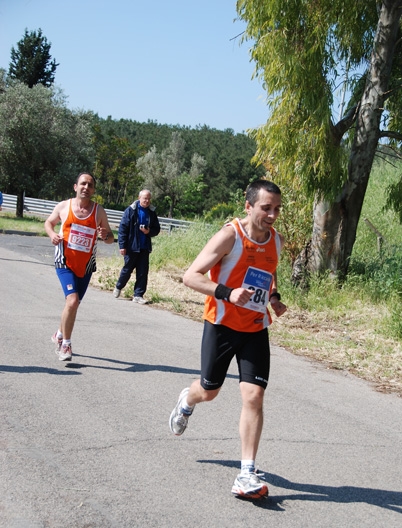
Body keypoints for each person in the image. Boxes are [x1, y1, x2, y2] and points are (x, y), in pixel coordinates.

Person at [169, 179, 287, 500]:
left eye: (277, 209)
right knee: (209, 391)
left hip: (255, 328)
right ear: (249, 207)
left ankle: (246, 472)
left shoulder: (275, 241)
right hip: (221, 326)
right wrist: (228, 293)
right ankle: (187, 400)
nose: (273, 215)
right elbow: (190, 276)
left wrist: (273, 297)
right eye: (266, 208)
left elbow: (267, 273)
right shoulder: (229, 236)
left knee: (253, 396)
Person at [44, 172, 114, 361]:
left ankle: (59, 333)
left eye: (90, 185)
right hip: (64, 261)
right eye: (83, 184)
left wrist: (105, 234)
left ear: (93, 190)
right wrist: (52, 235)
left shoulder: (98, 211)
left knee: (73, 304)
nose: (86, 187)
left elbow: (110, 239)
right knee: (72, 301)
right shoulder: (64, 206)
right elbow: (49, 223)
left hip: (86, 265)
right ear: (76, 187)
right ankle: (65, 344)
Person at [113, 189, 160, 304]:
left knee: (143, 272)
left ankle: (138, 295)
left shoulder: (152, 212)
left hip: (144, 247)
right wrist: (122, 245)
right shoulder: (131, 210)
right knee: (127, 269)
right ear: (139, 198)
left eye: (149, 198)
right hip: (131, 246)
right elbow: (123, 229)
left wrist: (148, 231)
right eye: (145, 198)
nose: (147, 201)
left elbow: (157, 229)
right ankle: (119, 286)